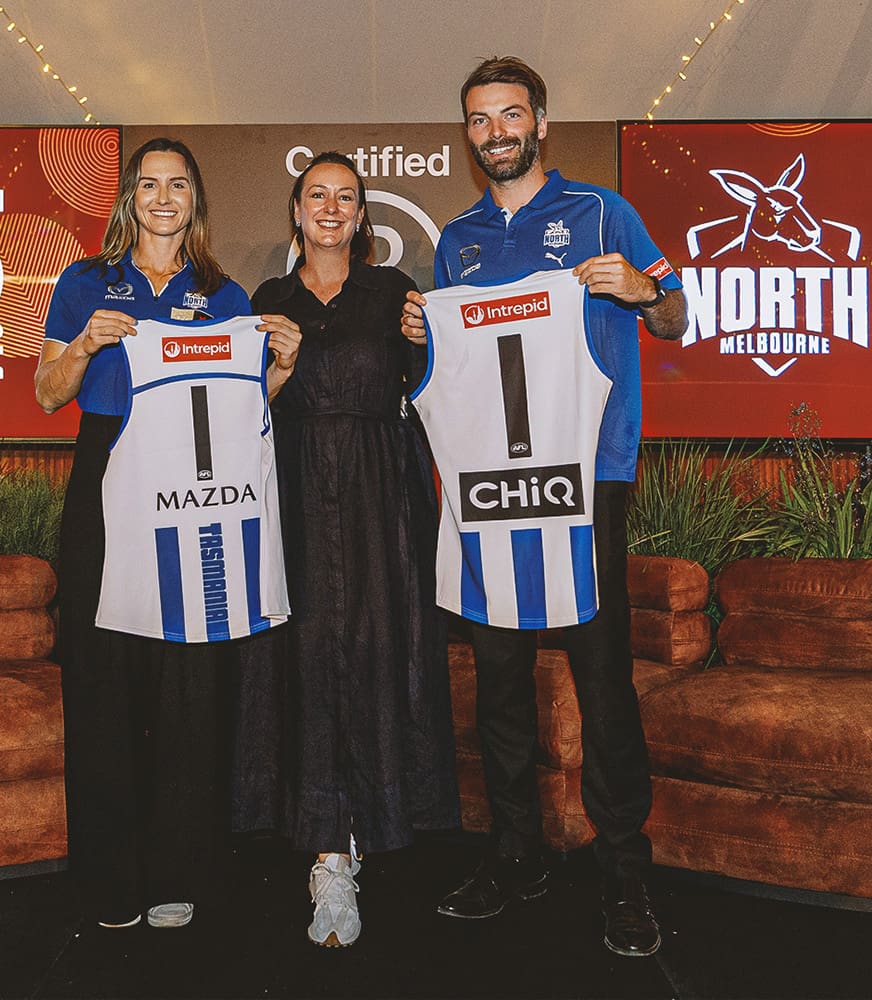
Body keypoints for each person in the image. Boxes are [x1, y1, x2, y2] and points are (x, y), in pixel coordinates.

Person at [401, 57, 688, 958]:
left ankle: (623, 871)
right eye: (480, 120)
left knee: (601, 679)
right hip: (490, 488)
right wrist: (423, 332)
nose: (496, 132)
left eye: (510, 115)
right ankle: (514, 853)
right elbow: (448, 370)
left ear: (542, 123)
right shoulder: (458, 240)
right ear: (469, 133)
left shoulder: (604, 212)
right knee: (498, 680)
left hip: (587, 477)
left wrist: (646, 293)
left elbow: (677, 316)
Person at [35, 137, 299, 930]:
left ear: (195, 201)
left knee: (190, 680)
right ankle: (113, 874)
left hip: (195, 491)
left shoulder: (222, 295)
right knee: (103, 678)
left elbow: (248, 410)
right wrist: (85, 344)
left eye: (177, 184)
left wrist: (280, 367)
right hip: (106, 477)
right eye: (148, 184)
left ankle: (181, 868)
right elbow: (48, 392)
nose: (162, 197)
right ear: (129, 198)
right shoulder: (84, 280)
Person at [232, 151, 460, 948]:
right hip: (291, 496)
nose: (332, 209)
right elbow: (235, 410)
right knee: (303, 654)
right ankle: (327, 854)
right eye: (317, 196)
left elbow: (441, 386)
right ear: (296, 212)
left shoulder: (396, 295)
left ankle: (369, 825)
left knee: (375, 649)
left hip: (379, 499)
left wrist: (429, 341)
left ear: (363, 217)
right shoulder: (267, 300)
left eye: (347, 199)